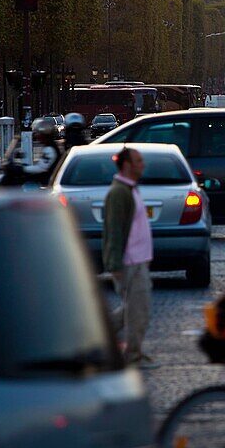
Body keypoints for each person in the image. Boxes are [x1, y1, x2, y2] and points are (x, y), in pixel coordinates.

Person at [102, 146, 156, 368]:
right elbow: (114, 230)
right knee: (138, 310)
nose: (143, 165)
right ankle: (133, 356)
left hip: (137, 260)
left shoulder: (130, 189)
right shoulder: (119, 193)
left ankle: (96, 337)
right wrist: (115, 264)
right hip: (129, 262)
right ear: (127, 165)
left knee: (132, 308)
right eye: (139, 161)